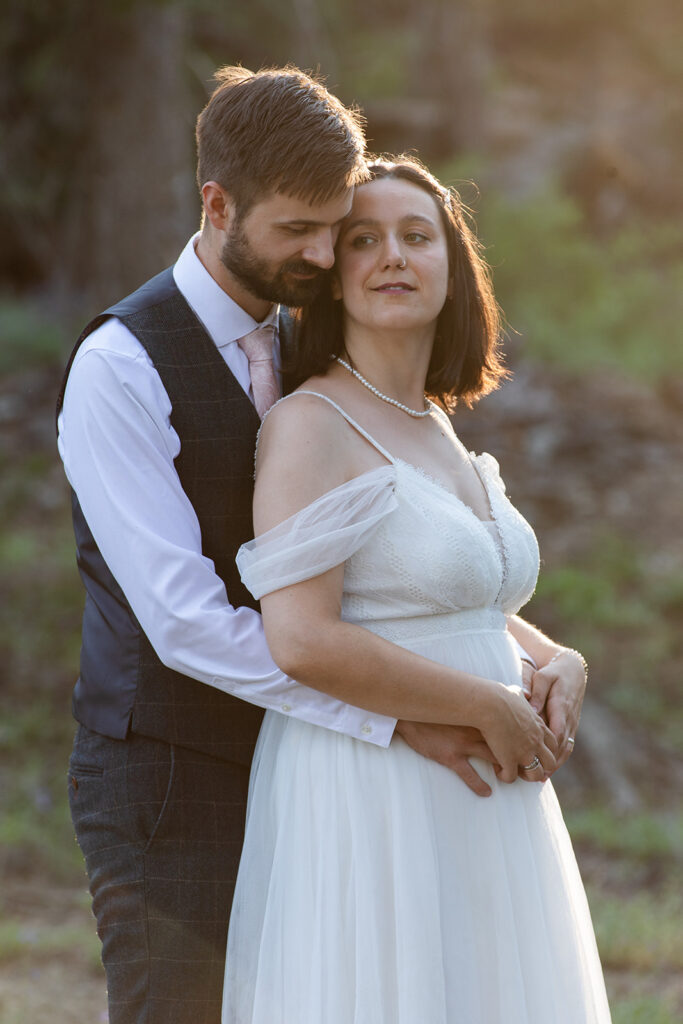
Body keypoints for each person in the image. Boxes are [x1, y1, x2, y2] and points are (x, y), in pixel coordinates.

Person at [57, 66, 581, 1024]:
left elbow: (398, 569)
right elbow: (185, 624)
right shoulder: (121, 367)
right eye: (299, 232)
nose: (319, 254)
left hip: (312, 750)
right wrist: (393, 719)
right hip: (173, 767)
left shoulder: (309, 346)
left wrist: (541, 654)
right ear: (218, 205)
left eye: (328, 231)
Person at [222, 156, 611, 1022]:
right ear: (330, 271)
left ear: (451, 266)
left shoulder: (436, 426)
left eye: (415, 236)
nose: (392, 256)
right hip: (376, 787)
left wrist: (556, 658)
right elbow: (301, 636)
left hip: (485, 796)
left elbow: (456, 600)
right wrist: (488, 704)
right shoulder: (309, 425)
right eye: (364, 240)